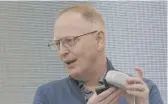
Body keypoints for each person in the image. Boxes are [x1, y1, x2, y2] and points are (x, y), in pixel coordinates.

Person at [33, 3, 164, 104]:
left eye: (69, 40)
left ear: (99, 39)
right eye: (57, 44)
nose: (62, 52)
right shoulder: (47, 96)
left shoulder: (142, 92)